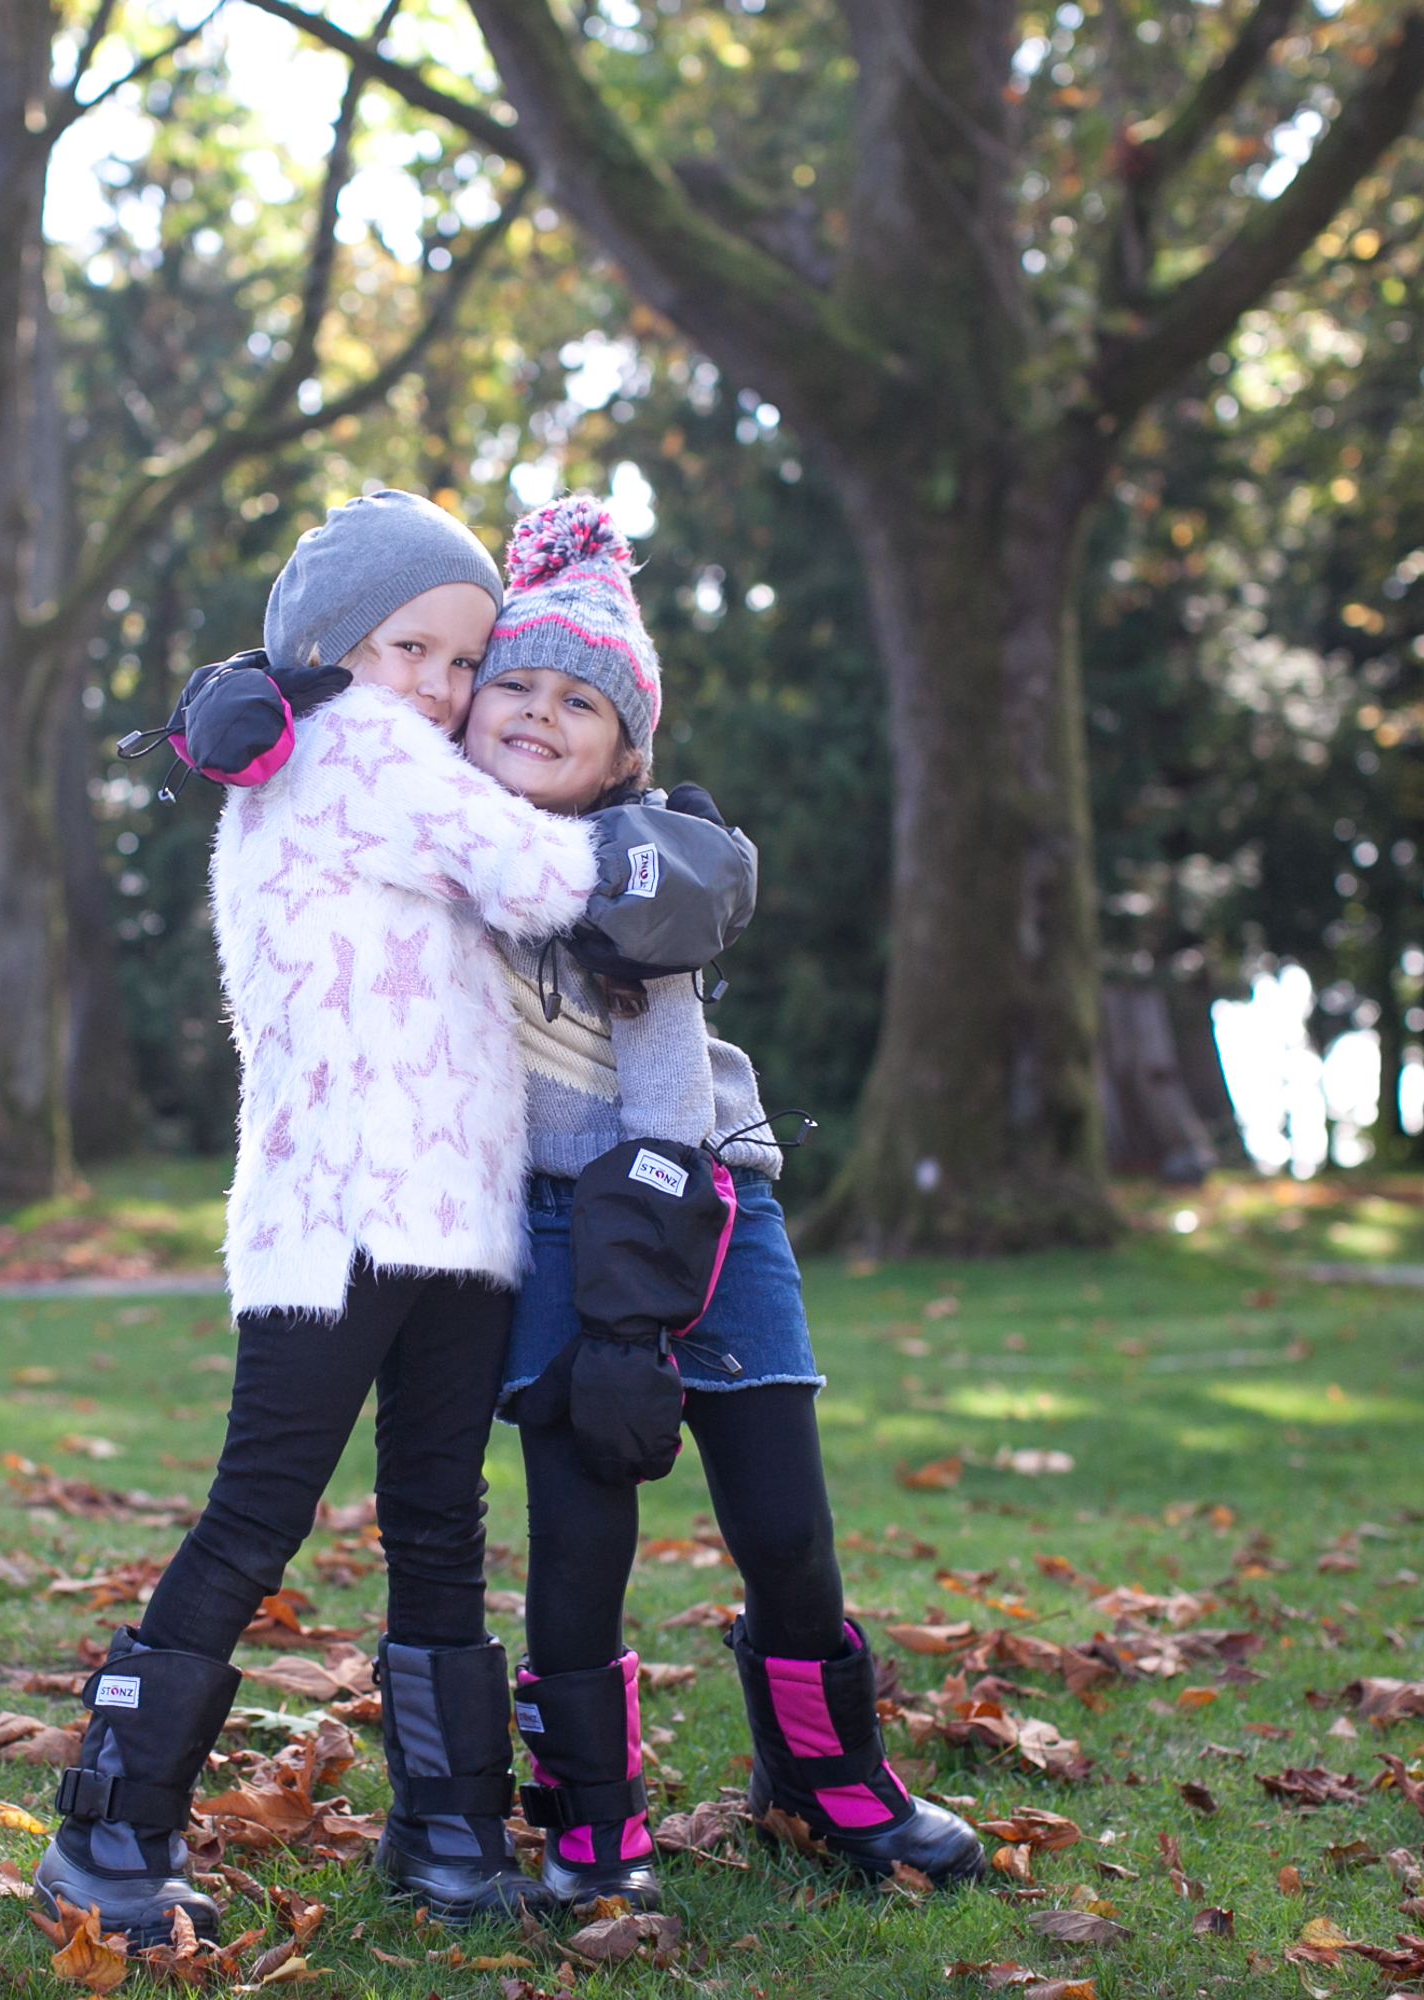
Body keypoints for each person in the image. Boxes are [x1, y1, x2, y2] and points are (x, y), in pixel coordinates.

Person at [38, 491, 757, 1945]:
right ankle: (113, 1825)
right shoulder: (351, 756)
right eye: (407, 648)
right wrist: (694, 860)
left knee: (440, 1521)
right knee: (262, 1510)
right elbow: (546, 872)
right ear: (328, 648)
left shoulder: (353, 756)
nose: (438, 688)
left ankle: (447, 1826)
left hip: (456, 1218)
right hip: (344, 1219)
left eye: (459, 661)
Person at [457, 493, 988, 1908]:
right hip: (552, 1229)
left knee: (785, 1525)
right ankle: (591, 1813)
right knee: (577, 1538)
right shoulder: (433, 846)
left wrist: (644, 1318)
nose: (536, 711)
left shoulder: (647, 869)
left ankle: (826, 1778)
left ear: (628, 746)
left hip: (701, 1204)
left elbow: (670, 1090)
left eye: (579, 700)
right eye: (510, 680)